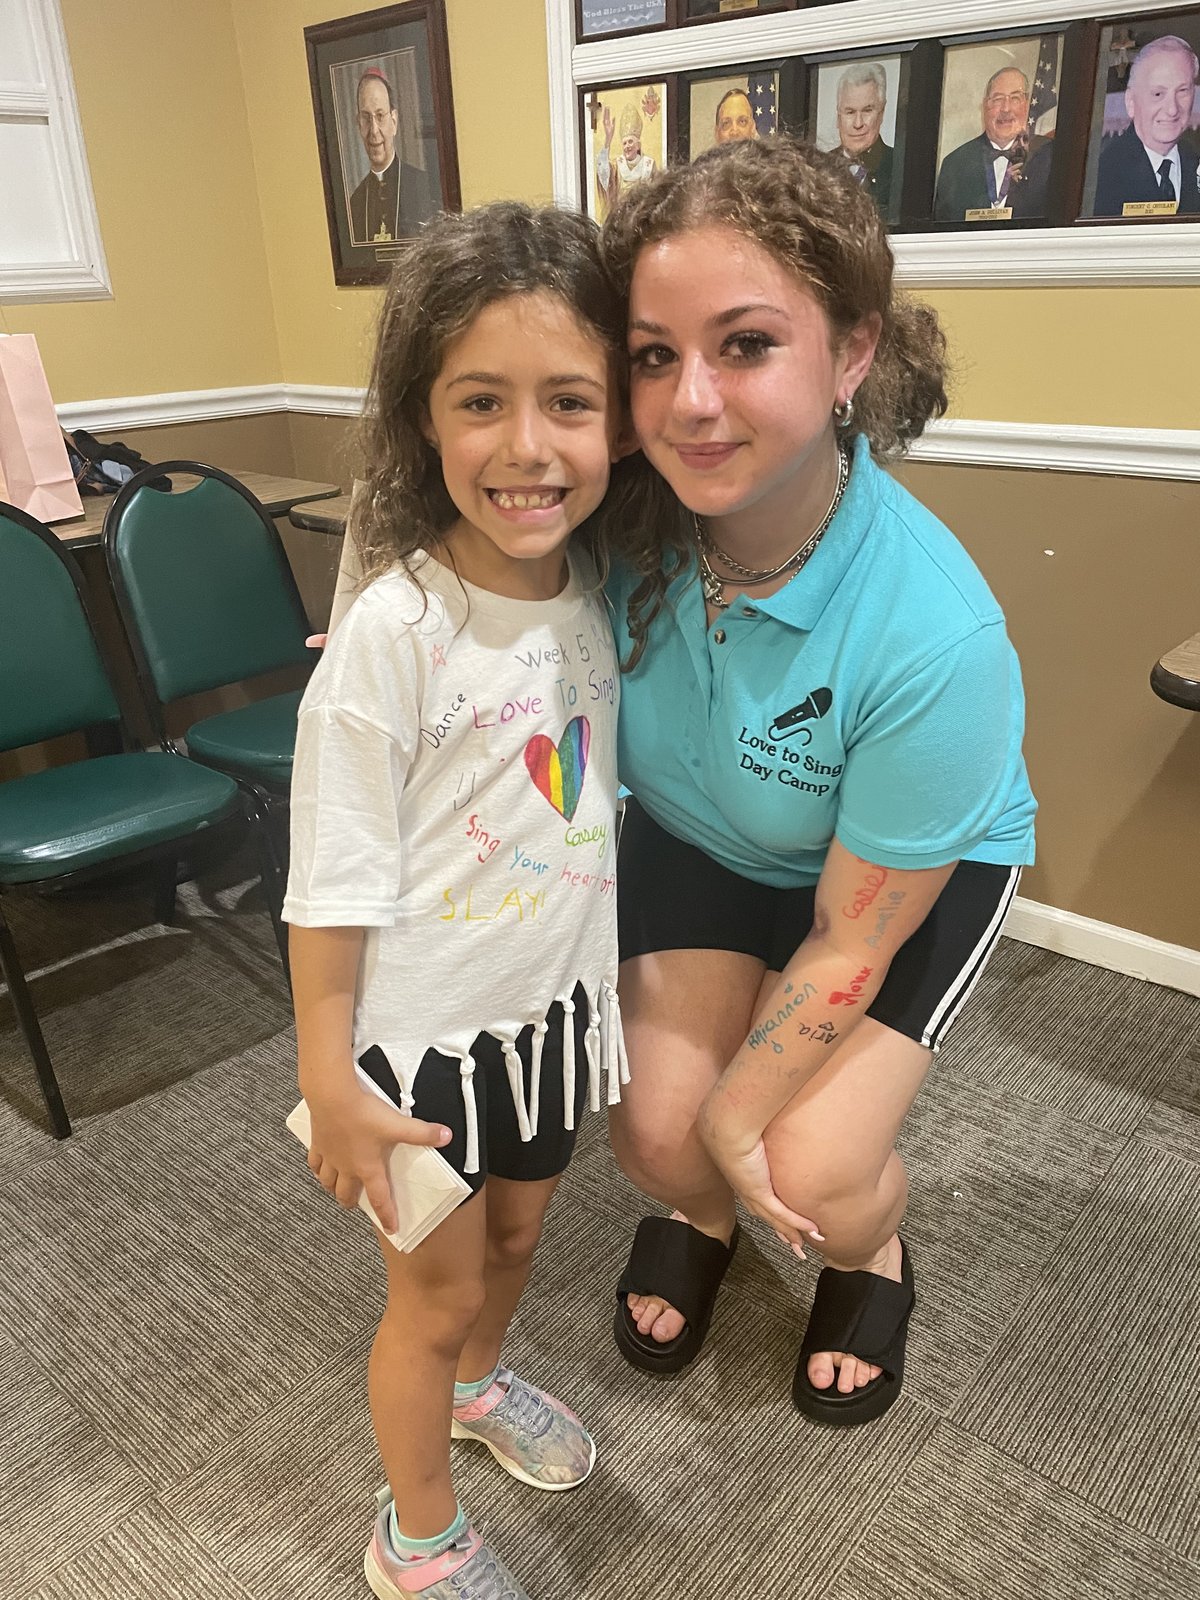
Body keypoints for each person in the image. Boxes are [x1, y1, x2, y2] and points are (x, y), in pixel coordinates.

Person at [599, 137, 1036, 1427]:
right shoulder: (622, 516)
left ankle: (872, 1256)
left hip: (891, 885)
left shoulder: (932, 632)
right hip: (700, 835)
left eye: (745, 345)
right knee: (656, 1142)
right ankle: (699, 1211)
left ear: (852, 354)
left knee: (813, 1165)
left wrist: (747, 1117)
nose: (690, 401)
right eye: (653, 354)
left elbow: (853, 936)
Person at [284, 201, 633, 1600]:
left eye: (569, 402)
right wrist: (325, 1067)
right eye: (479, 402)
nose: (527, 447)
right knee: (428, 1299)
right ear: (422, 420)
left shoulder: (599, 589)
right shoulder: (394, 635)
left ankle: (486, 1390)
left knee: (521, 1238)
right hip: (417, 1053)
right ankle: (414, 1532)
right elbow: (333, 871)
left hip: (546, 1024)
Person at [1094, 35, 1200, 216]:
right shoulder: (1102, 173)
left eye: (1182, 91)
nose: (1172, 109)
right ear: (1130, 102)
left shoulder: (1193, 160)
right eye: (1158, 93)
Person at [934, 65, 1049, 219]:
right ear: (985, 106)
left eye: (1015, 98)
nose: (1006, 108)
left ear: (1027, 105)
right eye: (998, 99)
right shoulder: (954, 164)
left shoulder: (1050, 157)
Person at [347, 67, 437, 246]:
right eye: (366, 118)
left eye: (380, 116)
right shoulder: (354, 202)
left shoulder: (424, 187)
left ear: (394, 122)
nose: (373, 131)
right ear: (358, 124)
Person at [832, 62, 893, 208]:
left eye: (867, 110)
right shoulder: (817, 167)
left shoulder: (899, 166)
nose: (858, 123)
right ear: (839, 115)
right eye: (850, 112)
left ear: (882, 113)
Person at [596, 99, 657, 218]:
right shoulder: (616, 166)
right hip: (620, 218)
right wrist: (608, 139)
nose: (627, 146)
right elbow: (602, 171)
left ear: (638, 145)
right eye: (624, 143)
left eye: (630, 142)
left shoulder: (649, 165)